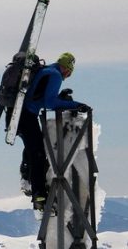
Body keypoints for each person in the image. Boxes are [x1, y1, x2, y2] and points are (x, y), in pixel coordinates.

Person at [17, 52, 89, 210]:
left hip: (20, 116)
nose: (67, 76)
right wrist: (75, 105)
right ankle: (39, 195)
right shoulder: (55, 75)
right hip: (27, 116)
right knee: (38, 154)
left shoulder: (46, 71)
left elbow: (41, 96)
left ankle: (28, 182)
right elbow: (49, 102)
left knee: (33, 147)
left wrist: (61, 98)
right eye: (69, 73)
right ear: (67, 68)